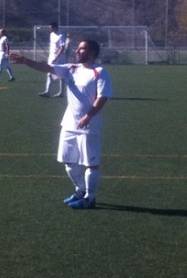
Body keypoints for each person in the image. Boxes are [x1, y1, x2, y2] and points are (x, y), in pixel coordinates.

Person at [10, 39, 113, 210]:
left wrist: (89, 116)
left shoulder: (100, 72)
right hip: (69, 124)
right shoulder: (71, 69)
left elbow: (103, 97)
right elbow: (48, 68)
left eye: (82, 49)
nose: (77, 51)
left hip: (90, 126)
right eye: (78, 49)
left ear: (92, 53)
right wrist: (26, 61)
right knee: (68, 162)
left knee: (91, 164)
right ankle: (80, 191)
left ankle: (90, 198)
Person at [39, 21, 66, 97]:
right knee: (49, 73)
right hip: (52, 57)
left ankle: (61, 92)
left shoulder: (61, 35)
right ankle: (47, 92)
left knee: (61, 75)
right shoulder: (51, 35)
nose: (49, 29)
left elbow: (62, 48)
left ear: (55, 27)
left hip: (60, 58)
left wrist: (56, 58)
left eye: (51, 27)